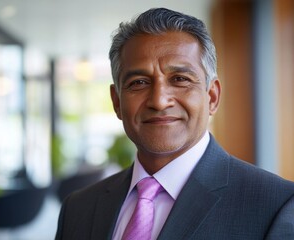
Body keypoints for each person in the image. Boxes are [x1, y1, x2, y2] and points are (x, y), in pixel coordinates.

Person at [55, 8, 294, 240]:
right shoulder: (78, 208)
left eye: (180, 79)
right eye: (139, 82)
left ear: (212, 97)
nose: (159, 101)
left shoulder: (276, 206)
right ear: (117, 102)